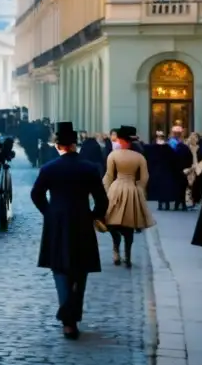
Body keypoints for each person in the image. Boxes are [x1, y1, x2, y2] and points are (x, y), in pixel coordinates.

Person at [31, 122, 108, 340]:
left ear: (58, 145)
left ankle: (68, 322)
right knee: (80, 271)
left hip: (56, 223)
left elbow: (36, 195)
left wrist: (49, 212)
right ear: (75, 144)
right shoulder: (89, 168)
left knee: (60, 270)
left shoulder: (49, 168)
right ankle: (73, 316)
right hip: (82, 220)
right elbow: (102, 199)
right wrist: (94, 215)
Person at [103, 125, 156, 268]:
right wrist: (138, 190)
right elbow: (144, 178)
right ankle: (128, 255)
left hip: (116, 188)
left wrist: (107, 191)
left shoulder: (113, 155)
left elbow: (108, 176)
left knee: (112, 222)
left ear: (121, 140)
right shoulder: (139, 157)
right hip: (132, 189)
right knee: (129, 226)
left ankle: (116, 251)